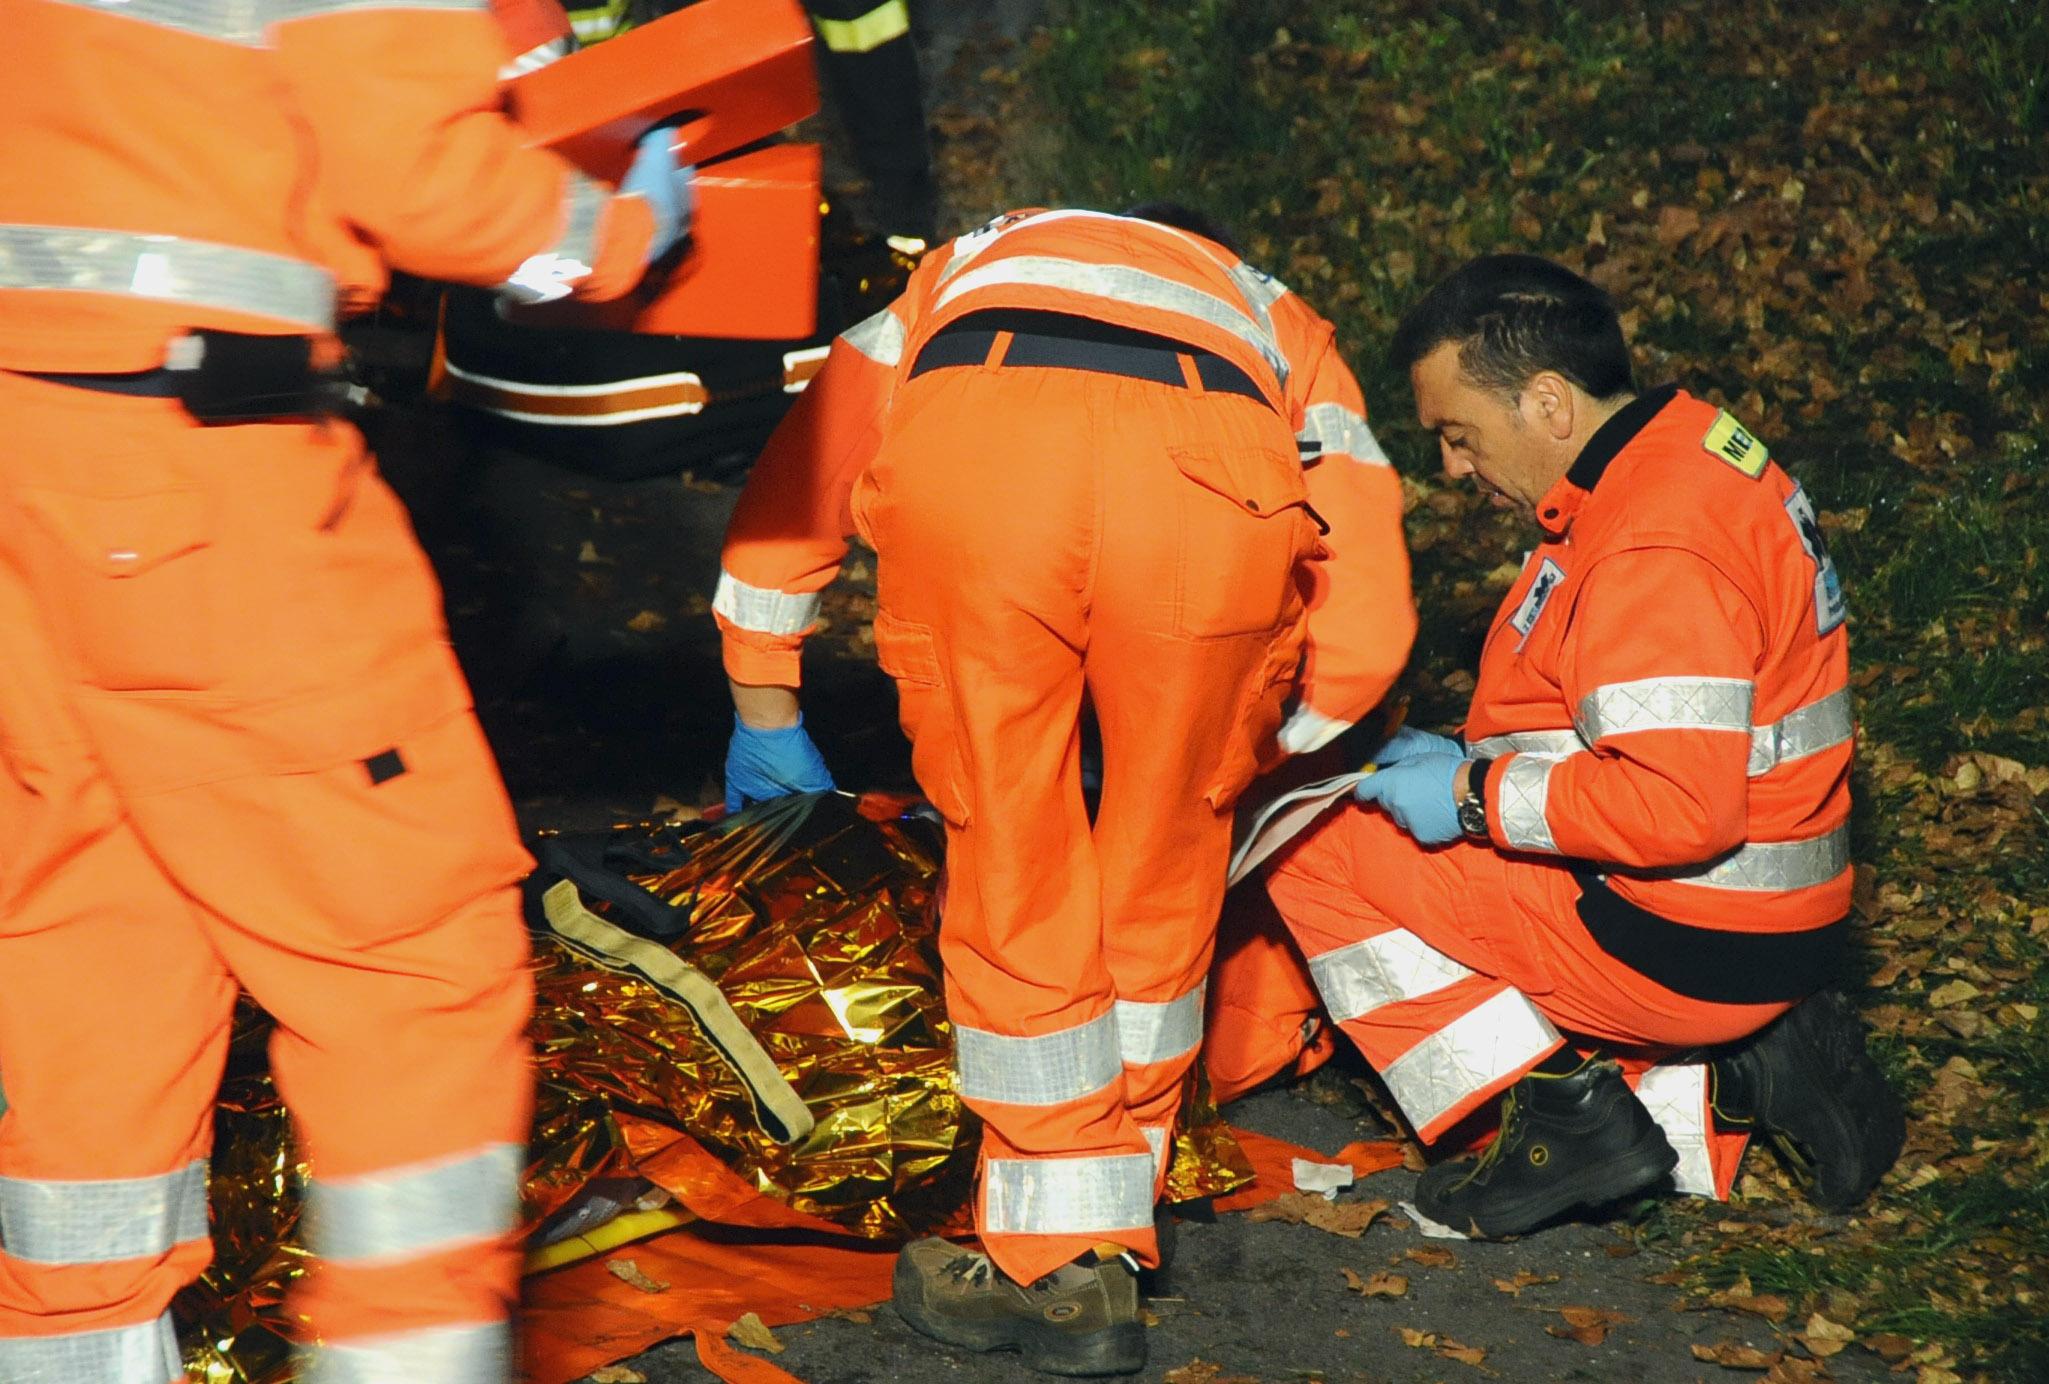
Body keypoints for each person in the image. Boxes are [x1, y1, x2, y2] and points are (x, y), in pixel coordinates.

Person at [0, 0, 692, 1377]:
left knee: (94, 935)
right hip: (207, 471)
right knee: (410, 965)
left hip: (28, 458)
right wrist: (618, 228)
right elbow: (422, 177)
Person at [713, 204, 1415, 1373]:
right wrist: (1266, 736)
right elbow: (1373, 597)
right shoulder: (1271, 310)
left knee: (1011, 849)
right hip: (1213, 490)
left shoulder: (966, 262)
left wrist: (762, 697)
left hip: (985, 462)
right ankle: (1106, 1235)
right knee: (1165, 855)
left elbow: (810, 468)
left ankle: (1056, 1250)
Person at [1263, 253, 1904, 1240]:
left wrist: (1472, 796)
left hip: (1688, 935)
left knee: (1307, 848)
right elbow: (1641, 703)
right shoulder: (1688, 452)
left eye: (1460, 435)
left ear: (1549, 403)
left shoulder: (1651, 540)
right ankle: (1732, 1076)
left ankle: (1551, 1119)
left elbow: (1677, 806)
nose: (1452, 468)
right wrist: (1465, 754)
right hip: (1775, 913)